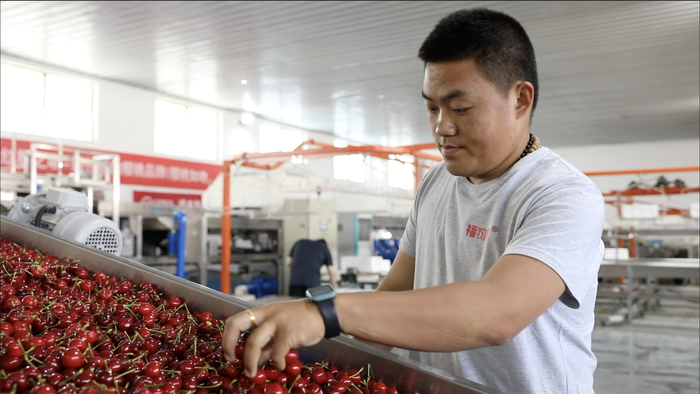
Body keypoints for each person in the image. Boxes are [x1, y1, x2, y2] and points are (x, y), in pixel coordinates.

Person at [223, 8, 604, 393]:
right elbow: (395, 297)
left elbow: (496, 314)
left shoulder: (563, 195)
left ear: (520, 99)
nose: (442, 127)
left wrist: (327, 311)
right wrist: (309, 367)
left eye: (460, 108)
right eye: (431, 107)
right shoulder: (436, 182)